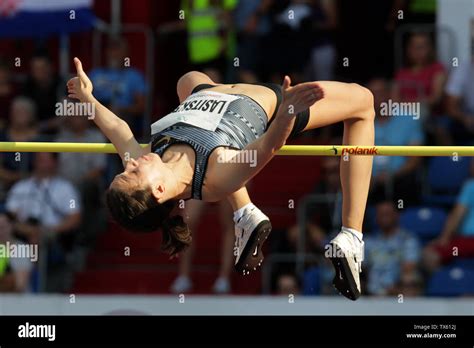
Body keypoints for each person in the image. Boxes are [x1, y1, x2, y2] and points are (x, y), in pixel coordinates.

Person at [68, 57, 375, 300]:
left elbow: (119, 130)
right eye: (133, 172)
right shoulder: (216, 176)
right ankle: (350, 236)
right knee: (363, 102)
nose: (131, 162)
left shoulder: (153, 156)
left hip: (210, 93)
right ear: (160, 190)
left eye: (126, 167)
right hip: (271, 105)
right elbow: (267, 147)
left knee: (189, 79)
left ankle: (245, 212)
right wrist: (287, 113)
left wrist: (88, 98)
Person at [423, 159, 474, 273]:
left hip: (469, 240)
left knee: (429, 254)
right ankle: (449, 281)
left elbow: (457, 215)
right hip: (467, 242)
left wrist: (444, 238)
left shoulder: (471, 186)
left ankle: (449, 280)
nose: (471, 165)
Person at [364, 201, 421, 296]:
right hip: (371, 288)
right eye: (381, 214)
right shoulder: (369, 241)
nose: (384, 218)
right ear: (376, 218)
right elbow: (361, 267)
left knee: (409, 278)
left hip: (397, 288)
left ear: (396, 215)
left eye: (387, 214)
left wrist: (392, 288)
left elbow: (410, 266)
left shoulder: (407, 239)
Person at [0, 212, 34, 293]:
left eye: (2, 227)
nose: (0, 231)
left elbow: (19, 285)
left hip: (19, 301)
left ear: (11, 227)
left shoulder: (21, 248)